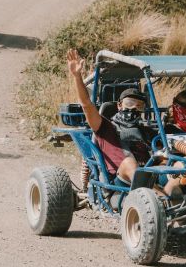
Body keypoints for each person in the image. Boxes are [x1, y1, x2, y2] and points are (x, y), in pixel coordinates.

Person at [66, 49, 155, 184]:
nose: (134, 108)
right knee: (130, 164)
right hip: (120, 184)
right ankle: (156, 198)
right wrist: (77, 77)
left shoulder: (145, 130)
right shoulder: (105, 127)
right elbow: (86, 104)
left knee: (178, 165)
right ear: (119, 105)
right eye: (130, 103)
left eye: (139, 106)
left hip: (149, 180)